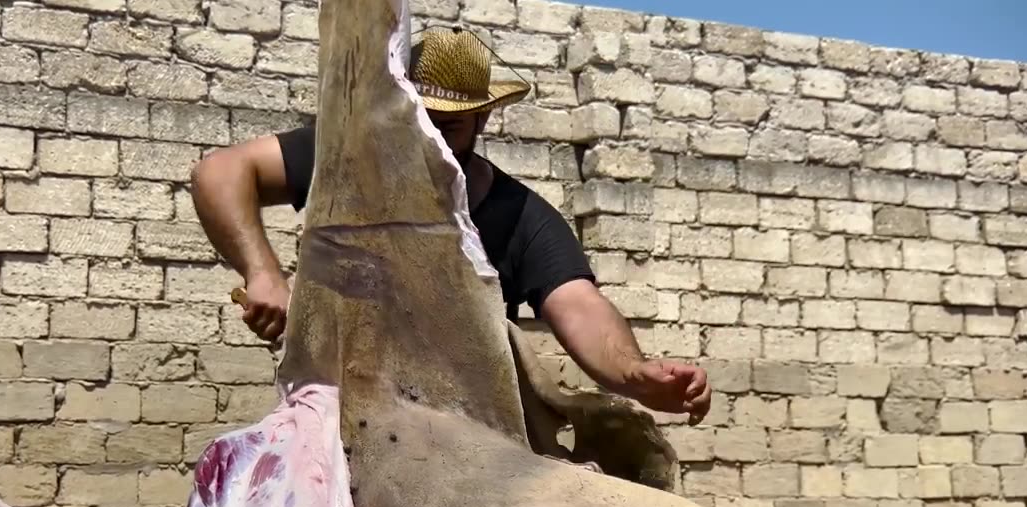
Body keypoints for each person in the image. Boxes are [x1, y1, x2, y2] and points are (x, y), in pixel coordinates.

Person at [189, 26, 712, 425]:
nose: (431, 140)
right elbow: (221, 171)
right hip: (343, 405)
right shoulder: (349, 163)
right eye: (420, 120)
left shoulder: (520, 215)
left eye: (450, 126)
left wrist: (631, 374)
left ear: (482, 120)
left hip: (466, 423)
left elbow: (577, 302)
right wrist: (262, 273)